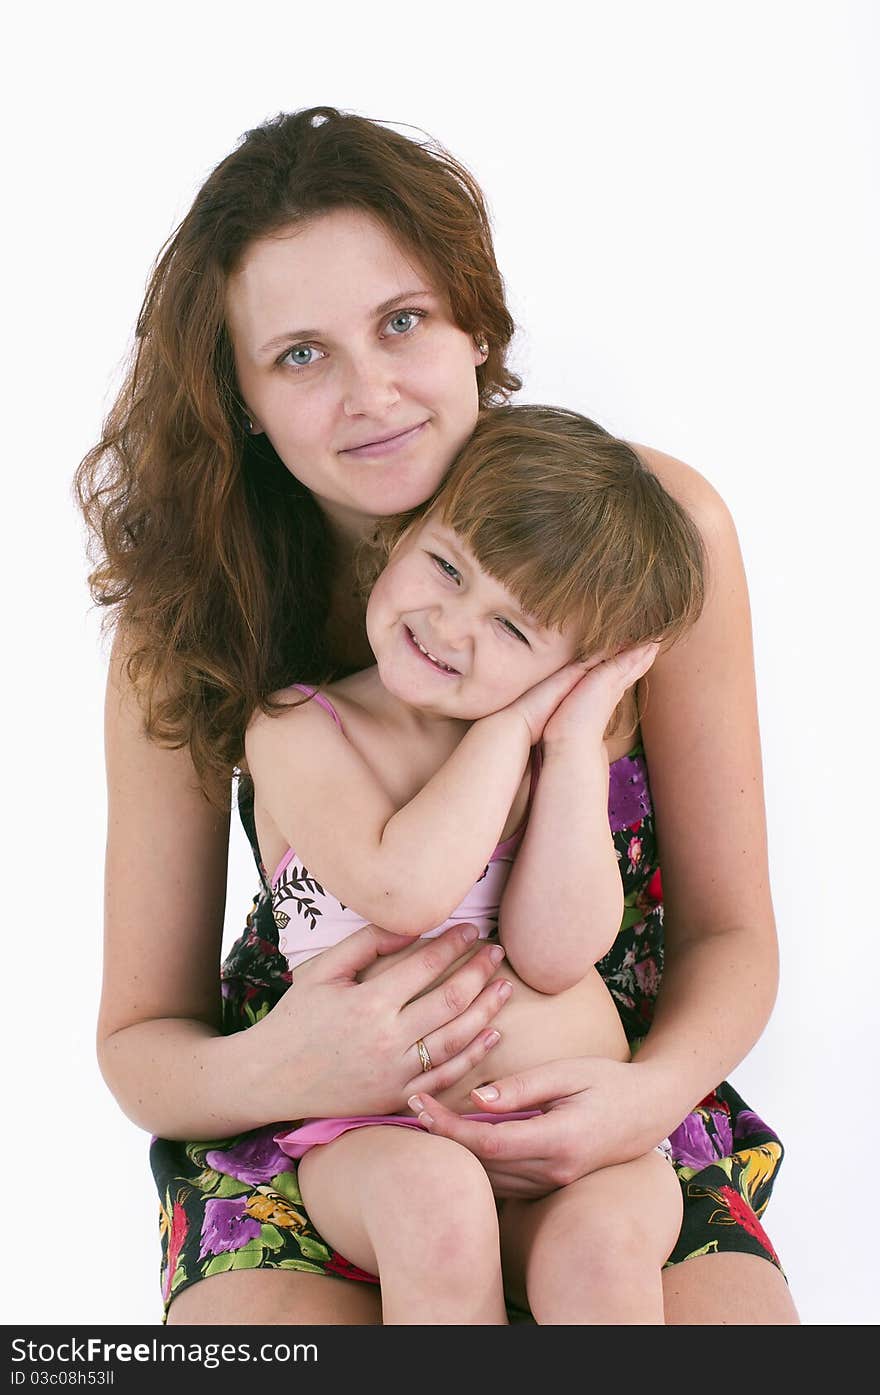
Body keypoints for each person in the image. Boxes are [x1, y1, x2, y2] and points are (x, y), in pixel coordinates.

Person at [76, 105, 797, 1325]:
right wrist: (288, 1066)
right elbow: (140, 1041)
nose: (372, 393)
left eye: (400, 322)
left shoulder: (646, 540)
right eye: (299, 355)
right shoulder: (192, 625)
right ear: (241, 396)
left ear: (474, 323)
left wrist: (646, 1097)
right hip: (318, 1131)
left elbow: (734, 934)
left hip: (608, 1111)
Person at [251, 404, 701, 1323]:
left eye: (515, 631)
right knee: (438, 1209)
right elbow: (404, 890)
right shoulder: (301, 727)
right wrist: (508, 724)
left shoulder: (549, 758)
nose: (451, 625)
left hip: (573, 1152)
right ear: (403, 533)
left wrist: (573, 748)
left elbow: (555, 951)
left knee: (605, 1248)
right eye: (448, 567)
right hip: (379, 1138)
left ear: (571, 671)